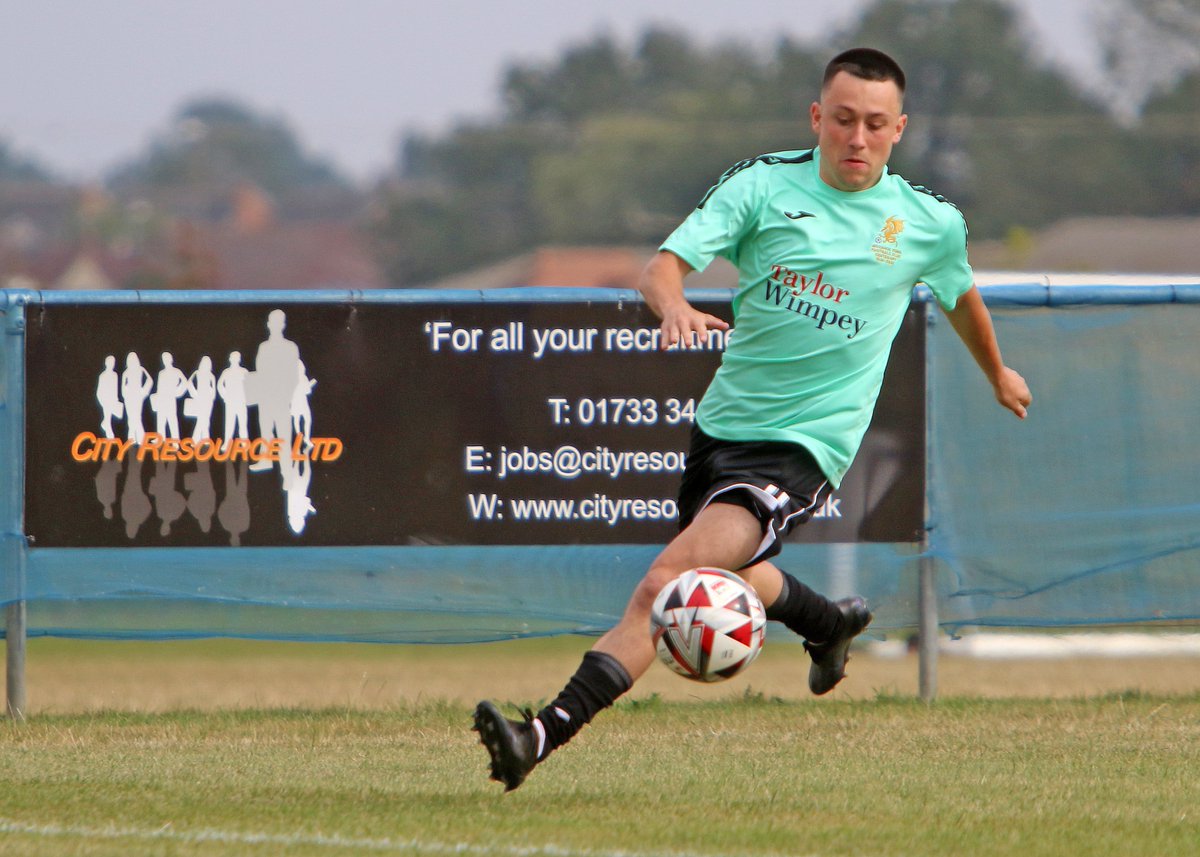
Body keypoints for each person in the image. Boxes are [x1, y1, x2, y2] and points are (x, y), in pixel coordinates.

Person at [473, 47, 1032, 792]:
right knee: (727, 567)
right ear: (817, 118)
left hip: (803, 449)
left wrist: (997, 372)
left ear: (899, 129)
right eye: (842, 120)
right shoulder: (762, 186)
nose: (857, 138)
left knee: (667, 582)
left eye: (874, 124)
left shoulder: (928, 222)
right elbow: (662, 269)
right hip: (721, 430)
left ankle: (537, 735)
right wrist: (674, 305)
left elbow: (961, 298)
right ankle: (827, 623)